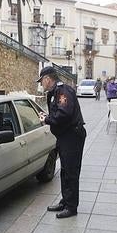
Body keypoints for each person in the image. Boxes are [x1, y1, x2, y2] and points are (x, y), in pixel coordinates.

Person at [37, 66, 86, 218]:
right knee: (65, 171)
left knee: (71, 172)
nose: (41, 85)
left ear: (47, 79)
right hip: (65, 137)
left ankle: (71, 208)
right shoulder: (55, 92)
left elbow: (64, 114)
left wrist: (47, 119)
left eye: (41, 81)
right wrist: (48, 116)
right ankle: (65, 201)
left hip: (72, 137)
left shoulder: (63, 91)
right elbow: (59, 112)